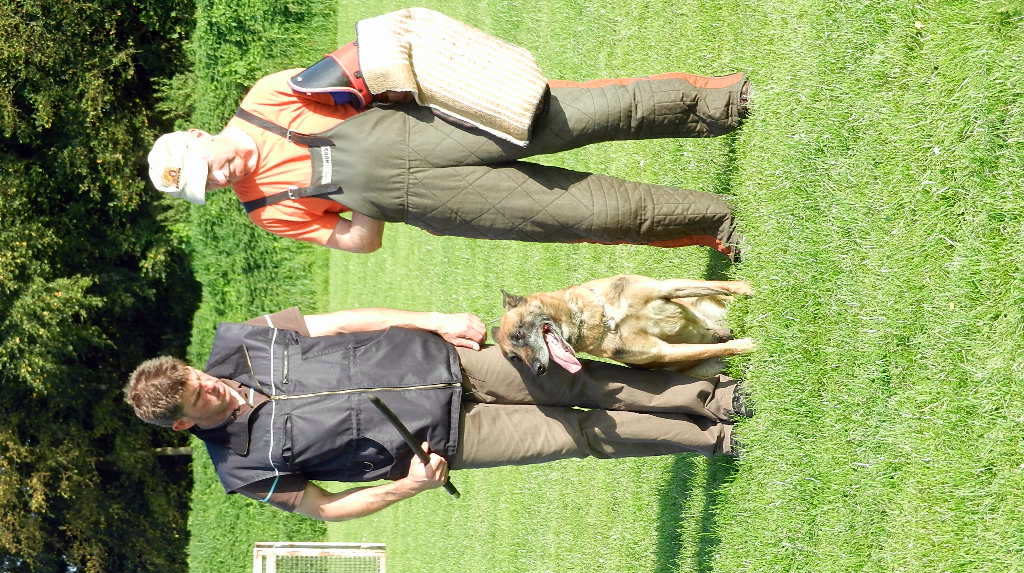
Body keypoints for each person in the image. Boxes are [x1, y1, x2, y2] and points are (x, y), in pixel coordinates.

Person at [124, 307, 750, 522]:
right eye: (201, 398)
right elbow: (325, 509)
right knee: (581, 433)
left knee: (577, 378)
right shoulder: (241, 470)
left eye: (200, 375)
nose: (215, 386)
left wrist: (434, 321)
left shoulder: (240, 342)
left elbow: (340, 323)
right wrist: (411, 485)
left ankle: (712, 398)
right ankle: (713, 440)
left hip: (449, 363)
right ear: (183, 424)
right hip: (447, 439)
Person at [146, 40, 751, 257]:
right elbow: (357, 241)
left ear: (199, 137)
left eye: (206, 167)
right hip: (447, 200)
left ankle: (724, 103)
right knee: (591, 215)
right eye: (207, 186)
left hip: (448, 124)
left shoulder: (265, 99)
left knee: (594, 110)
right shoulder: (267, 211)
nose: (218, 178)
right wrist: (367, 198)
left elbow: (363, 74)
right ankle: (719, 224)